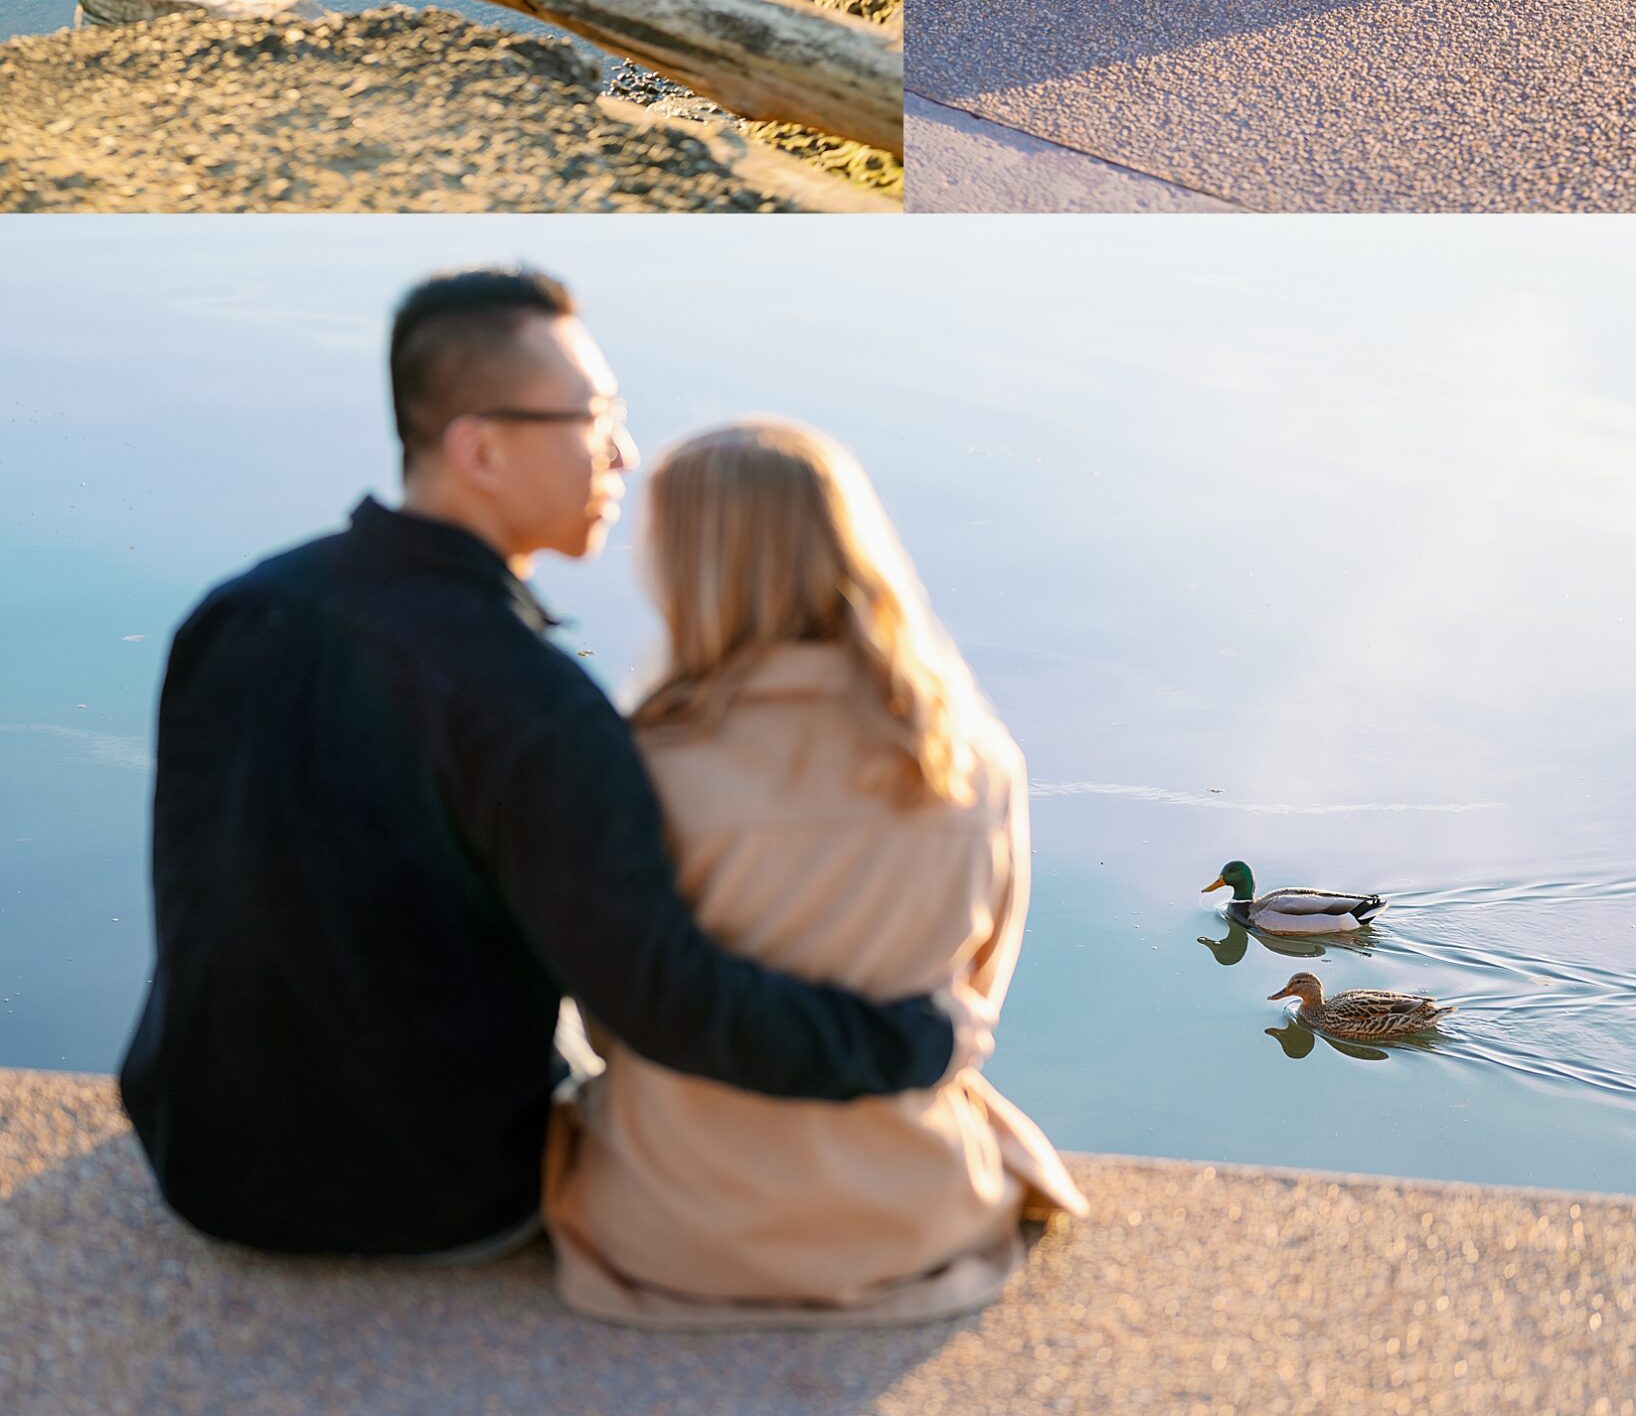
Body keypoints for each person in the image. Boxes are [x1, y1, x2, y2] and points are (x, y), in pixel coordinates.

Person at [119, 270, 962, 1262]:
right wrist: (911, 1041)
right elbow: (664, 1003)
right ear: (480, 445)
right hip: (431, 1198)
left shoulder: (236, 607)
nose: (624, 453)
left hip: (194, 1159)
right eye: (592, 417)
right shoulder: (537, 703)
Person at [545, 419, 1085, 1326]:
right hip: (913, 1216)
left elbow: (619, 1013)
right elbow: (975, 993)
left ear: (688, 565)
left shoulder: (638, 764)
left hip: (669, 1227)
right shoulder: (972, 760)